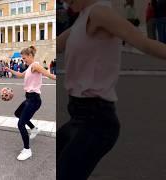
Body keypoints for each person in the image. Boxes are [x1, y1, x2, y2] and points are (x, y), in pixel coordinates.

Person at [58, 0, 166, 179]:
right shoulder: (82, 19)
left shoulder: (100, 13)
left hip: (96, 120)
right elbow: (54, 45)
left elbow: (144, 43)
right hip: (78, 117)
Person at [5, 46, 56, 161]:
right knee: (18, 113)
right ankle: (34, 129)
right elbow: (20, 75)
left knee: (20, 124)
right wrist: (10, 70)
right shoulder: (29, 68)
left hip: (34, 100)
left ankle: (27, 150)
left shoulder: (35, 65)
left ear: (30, 56)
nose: (23, 60)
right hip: (29, 98)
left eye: (24, 58)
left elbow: (49, 75)